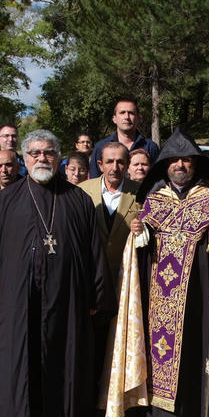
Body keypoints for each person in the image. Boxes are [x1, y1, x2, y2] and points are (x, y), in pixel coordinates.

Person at [0, 130, 108, 417]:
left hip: (66, 301)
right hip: (17, 302)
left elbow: (95, 251)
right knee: (17, 364)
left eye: (48, 153)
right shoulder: (6, 200)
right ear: (24, 159)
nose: (42, 158)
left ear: (58, 157)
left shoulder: (78, 199)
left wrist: (95, 295)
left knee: (61, 363)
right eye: (35, 153)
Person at [127, 127, 209, 417]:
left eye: (187, 161)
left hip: (199, 293)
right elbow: (141, 248)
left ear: (196, 165)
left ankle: (198, 416)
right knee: (160, 353)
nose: (180, 166)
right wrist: (139, 231)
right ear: (165, 165)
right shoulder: (153, 200)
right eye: (174, 161)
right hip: (159, 298)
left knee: (198, 351)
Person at [79, 142, 142, 380]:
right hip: (92, 279)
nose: (114, 167)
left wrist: (143, 228)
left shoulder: (142, 191)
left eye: (120, 162)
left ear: (127, 165)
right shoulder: (83, 191)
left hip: (126, 279)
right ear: (99, 164)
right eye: (109, 162)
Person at [90, 97, 159, 176]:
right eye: (122, 113)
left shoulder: (150, 147)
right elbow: (94, 179)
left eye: (131, 113)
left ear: (138, 118)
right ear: (114, 118)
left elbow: (157, 178)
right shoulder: (101, 147)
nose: (127, 117)